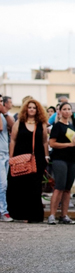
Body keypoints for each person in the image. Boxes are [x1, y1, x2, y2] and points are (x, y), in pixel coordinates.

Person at [7, 99, 49, 222]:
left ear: (38, 110)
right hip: (21, 159)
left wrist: (46, 156)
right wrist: (11, 158)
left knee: (35, 187)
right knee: (21, 187)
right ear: (26, 109)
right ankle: (22, 214)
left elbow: (45, 141)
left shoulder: (41, 123)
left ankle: (34, 215)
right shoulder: (19, 122)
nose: (32, 109)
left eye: (34, 108)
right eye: (29, 107)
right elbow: (13, 140)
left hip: (37, 159)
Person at [48, 102, 75, 224]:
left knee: (67, 189)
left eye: (68, 109)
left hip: (72, 159)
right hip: (59, 159)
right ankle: (52, 215)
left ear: (71, 112)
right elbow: (52, 143)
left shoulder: (71, 126)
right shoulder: (57, 126)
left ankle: (64, 215)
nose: (66, 111)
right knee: (59, 187)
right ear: (59, 111)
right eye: (64, 109)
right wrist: (69, 144)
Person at [0, 94, 14, 222]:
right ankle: (3, 211)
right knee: (2, 184)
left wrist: (4, 114)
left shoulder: (3, 116)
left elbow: (13, 126)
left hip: (5, 153)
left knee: (5, 183)